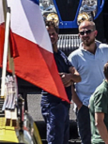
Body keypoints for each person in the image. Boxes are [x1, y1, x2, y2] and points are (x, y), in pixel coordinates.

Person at [71, 18, 108, 144]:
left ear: (95, 33)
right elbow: (69, 85)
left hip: (106, 106)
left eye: (88, 31)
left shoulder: (105, 50)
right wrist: (80, 106)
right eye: (82, 33)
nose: (85, 35)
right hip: (86, 107)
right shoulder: (74, 57)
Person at [43, 15, 81, 144]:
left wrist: (70, 77)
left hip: (64, 103)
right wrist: (70, 78)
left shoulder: (61, 55)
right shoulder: (45, 56)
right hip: (52, 103)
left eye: (53, 33)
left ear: (58, 35)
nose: (51, 36)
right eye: (48, 34)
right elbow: (55, 79)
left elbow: (78, 77)